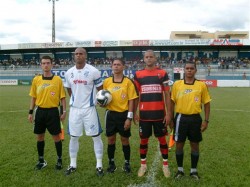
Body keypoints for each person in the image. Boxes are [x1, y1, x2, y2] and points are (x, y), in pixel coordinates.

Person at [64, 47, 104, 177]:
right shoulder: (69, 72)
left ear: (85, 56)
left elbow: (100, 90)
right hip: (75, 110)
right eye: (76, 54)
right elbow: (69, 90)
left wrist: (97, 101)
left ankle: (99, 165)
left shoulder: (93, 71)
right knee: (73, 137)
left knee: (96, 136)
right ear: (74, 56)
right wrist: (76, 101)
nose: (78, 56)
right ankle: (72, 164)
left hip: (89, 110)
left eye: (81, 53)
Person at [134, 50, 172, 178]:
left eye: (151, 57)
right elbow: (135, 96)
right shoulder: (138, 75)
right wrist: (134, 112)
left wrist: (169, 113)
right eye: (146, 57)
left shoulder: (162, 73)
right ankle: (143, 165)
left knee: (162, 140)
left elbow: (167, 94)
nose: (149, 59)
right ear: (143, 59)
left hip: (159, 114)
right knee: (143, 140)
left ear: (155, 59)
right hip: (144, 115)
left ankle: (165, 165)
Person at [170, 61, 211, 180]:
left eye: (191, 68)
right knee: (179, 144)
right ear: (184, 70)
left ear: (195, 70)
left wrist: (206, 121)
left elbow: (207, 103)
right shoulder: (177, 84)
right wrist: (171, 118)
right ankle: (180, 170)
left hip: (195, 118)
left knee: (195, 144)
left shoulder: (201, 85)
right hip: (180, 118)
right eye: (187, 68)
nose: (189, 70)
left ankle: (194, 171)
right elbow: (172, 102)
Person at [28, 55, 66, 170]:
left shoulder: (57, 80)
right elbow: (33, 97)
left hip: (53, 112)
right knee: (39, 137)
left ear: (52, 64)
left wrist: (63, 111)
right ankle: (41, 160)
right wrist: (30, 112)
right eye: (43, 63)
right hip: (40, 112)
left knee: (56, 137)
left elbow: (62, 97)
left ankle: (59, 160)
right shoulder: (36, 79)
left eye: (48, 63)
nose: (46, 65)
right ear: (41, 65)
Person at [102, 58, 139, 174]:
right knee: (111, 139)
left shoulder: (128, 82)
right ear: (112, 66)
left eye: (118, 64)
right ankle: (111, 163)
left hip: (123, 115)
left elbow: (132, 100)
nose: (116, 66)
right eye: (114, 64)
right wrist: (102, 103)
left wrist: (129, 118)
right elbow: (104, 97)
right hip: (110, 115)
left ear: (123, 67)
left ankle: (127, 163)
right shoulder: (107, 81)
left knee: (124, 140)